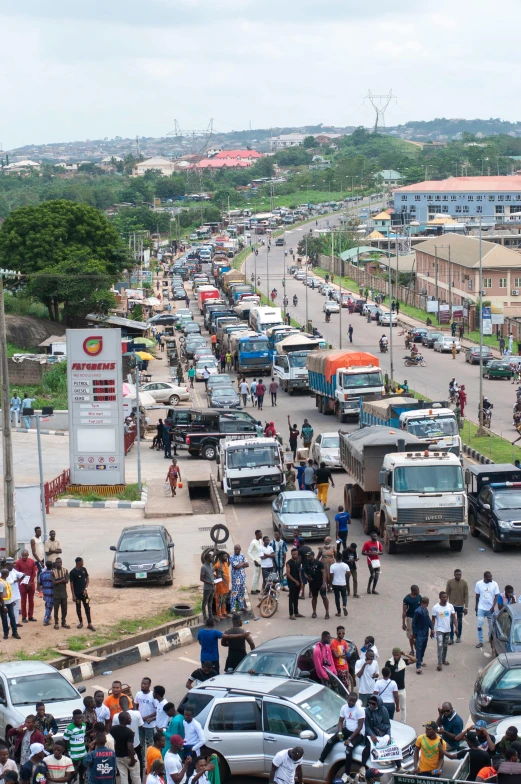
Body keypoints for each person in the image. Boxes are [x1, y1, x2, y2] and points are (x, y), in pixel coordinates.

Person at [111, 698, 143, 776]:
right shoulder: (137, 713)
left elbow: (115, 730)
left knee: (125, 772)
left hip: (122, 747)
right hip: (135, 744)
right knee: (138, 770)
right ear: (130, 703)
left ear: (119, 704)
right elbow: (141, 727)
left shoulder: (116, 716)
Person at [386, 648, 415, 724]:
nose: (396, 657)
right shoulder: (389, 663)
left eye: (398, 655)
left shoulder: (403, 662)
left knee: (403, 707)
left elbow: (414, 660)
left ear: (400, 655)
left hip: (401, 688)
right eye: (394, 655)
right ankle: (391, 722)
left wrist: (405, 654)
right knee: (392, 707)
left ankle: (403, 723)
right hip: (392, 689)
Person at [110, 712, 139, 784]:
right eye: (129, 718)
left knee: (123, 776)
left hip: (118, 756)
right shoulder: (129, 732)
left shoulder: (112, 729)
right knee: (135, 776)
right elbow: (130, 748)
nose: (131, 720)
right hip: (128, 756)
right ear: (124, 720)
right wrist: (132, 759)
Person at [431, 591, 455, 672]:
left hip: (447, 630)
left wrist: (457, 628)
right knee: (440, 646)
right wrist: (432, 629)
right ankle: (439, 663)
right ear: (440, 598)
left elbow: (454, 617)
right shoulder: (435, 607)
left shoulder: (450, 606)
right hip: (439, 630)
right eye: (443, 597)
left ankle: (444, 660)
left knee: (445, 646)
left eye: (446, 597)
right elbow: (433, 619)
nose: (445, 599)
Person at [69, 557, 95, 632]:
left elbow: (87, 579)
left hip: (85, 594)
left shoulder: (84, 569)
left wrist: (86, 589)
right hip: (77, 595)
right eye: (82, 562)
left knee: (87, 607)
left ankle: (89, 623)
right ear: (78, 563)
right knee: (78, 608)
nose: (83, 563)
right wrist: (73, 595)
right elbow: (71, 584)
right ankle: (81, 622)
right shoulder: (72, 572)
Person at [475, 571, 500, 648]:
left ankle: (490, 638)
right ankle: (480, 641)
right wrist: (476, 605)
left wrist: (493, 606)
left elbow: (496, 596)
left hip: (490, 609)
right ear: (485, 577)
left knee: (491, 625)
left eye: (491, 576)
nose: (491, 578)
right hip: (481, 608)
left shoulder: (494, 584)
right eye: (489, 577)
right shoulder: (478, 584)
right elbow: (477, 595)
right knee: (479, 624)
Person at [303, 551, 329, 620]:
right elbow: (304, 572)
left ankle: (327, 612)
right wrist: (307, 577)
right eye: (307, 556)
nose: (307, 557)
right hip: (312, 583)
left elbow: (324, 573)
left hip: (320, 583)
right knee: (314, 597)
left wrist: (324, 583)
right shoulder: (306, 564)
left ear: (313, 556)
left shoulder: (319, 563)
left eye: (309, 556)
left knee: (324, 597)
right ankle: (314, 612)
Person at [64, 709, 87, 784]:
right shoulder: (69, 728)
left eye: (81, 718)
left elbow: (83, 737)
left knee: (83, 774)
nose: (79, 720)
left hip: (83, 754)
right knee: (73, 774)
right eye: (77, 718)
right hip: (74, 755)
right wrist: (67, 752)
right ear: (73, 718)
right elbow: (65, 741)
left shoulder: (84, 725)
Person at [14, 550, 37, 623]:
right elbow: (17, 574)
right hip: (22, 585)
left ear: (28, 555)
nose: (24, 557)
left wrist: (30, 582)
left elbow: (34, 572)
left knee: (31, 601)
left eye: (25, 555)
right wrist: (25, 584)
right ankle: (24, 617)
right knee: (23, 601)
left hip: (31, 584)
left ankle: (30, 616)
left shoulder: (32, 561)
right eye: (23, 555)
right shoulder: (18, 563)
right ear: (21, 555)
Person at [446, 569, 469, 644]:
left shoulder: (464, 583)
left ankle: (458, 636)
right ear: (454, 575)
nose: (459, 576)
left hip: (460, 605)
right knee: (451, 622)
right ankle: (451, 638)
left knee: (459, 621)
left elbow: (466, 595)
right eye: (457, 574)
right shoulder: (450, 582)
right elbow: (447, 593)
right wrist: (445, 605)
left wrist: (466, 607)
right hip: (451, 605)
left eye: (460, 574)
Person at [134, 677, 156, 754]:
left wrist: (146, 718)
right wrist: (137, 716)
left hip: (149, 725)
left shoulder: (153, 695)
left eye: (145, 684)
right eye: (142, 683)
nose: (143, 685)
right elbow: (136, 705)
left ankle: (151, 758)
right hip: (140, 724)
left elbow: (157, 711)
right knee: (140, 743)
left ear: (149, 685)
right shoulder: (138, 694)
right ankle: (142, 761)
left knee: (149, 743)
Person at [413, 597, 432, 674]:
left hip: (425, 632)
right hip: (419, 632)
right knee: (419, 648)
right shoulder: (418, 611)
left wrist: (432, 628)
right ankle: (418, 667)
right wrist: (414, 633)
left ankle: (420, 660)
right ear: (427, 603)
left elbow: (428, 620)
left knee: (423, 647)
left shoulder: (425, 610)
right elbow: (414, 623)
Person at [0, 567, 20, 639]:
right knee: (4, 619)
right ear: (6, 574)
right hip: (4, 604)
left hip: (10, 602)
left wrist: (12, 601)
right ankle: (6, 634)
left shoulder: (6, 581)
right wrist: (4, 606)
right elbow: (0, 595)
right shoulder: (1, 583)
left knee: (12, 617)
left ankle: (15, 633)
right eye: (8, 573)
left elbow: (9, 592)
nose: (9, 574)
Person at [402, 585, 422, 656]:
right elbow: (404, 611)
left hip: (418, 618)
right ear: (413, 591)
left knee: (418, 633)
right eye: (417, 590)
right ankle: (412, 650)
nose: (418, 591)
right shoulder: (407, 599)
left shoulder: (419, 597)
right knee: (410, 635)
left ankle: (417, 645)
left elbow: (422, 607)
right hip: (410, 618)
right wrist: (403, 623)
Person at [229, 543, 248, 612]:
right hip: (236, 578)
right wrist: (243, 563)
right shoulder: (231, 557)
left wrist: (240, 564)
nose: (236, 550)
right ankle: (233, 608)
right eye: (235, 549)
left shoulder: (242, 555)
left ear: (240, 549)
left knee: (241, 593)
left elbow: (247, 564)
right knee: (234, 593)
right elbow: (236, 567)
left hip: (242, 578)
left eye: (237, 549)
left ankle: (241, 607)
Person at [51, 557, 69, 630]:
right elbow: (53, 583)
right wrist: (62, 580)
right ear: (55, 563)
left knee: (64, 609)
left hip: (64, 594)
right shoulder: (53, 572)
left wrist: (58, 581)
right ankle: (56, 623)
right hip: (56, 594)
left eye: (60, 562)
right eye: (58, 562)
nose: (59, 564)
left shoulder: (65, 570)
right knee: (56, 609)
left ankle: (63, 622)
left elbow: (67, 581)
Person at [330, 551, 349, 618]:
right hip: (343, 583)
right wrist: (346, 581)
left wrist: (330, 584)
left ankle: (339, 612)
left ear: (335, 558)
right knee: (344, 596)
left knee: (337, 598)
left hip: (335, 584)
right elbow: (348, 574)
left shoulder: (332, 566)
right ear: (342, 557)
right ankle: (344, 605)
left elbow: (331, 575)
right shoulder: (345, 565)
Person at [286, 548, 303, 621]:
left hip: (298, 582)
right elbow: (288, 574)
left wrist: (301, 582)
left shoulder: (298, 562)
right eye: (294, 554)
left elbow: (299, 572)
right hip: (292, 582)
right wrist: (295, 581)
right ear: (291, 554)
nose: (295, 555)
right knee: (291, 598)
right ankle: (291, 614)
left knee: (296, 598)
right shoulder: (288, 563)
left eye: (296, 554)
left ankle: (296, 612)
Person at [213, 552, 230, 620]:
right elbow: (212, 571)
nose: (226, 558)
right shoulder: (217, 565)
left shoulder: (226, 563)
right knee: (219, 600)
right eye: (224, 557)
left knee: (224, 600)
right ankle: (219, 614)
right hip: (220, 585)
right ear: (220, 558)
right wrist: (215, 577)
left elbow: (229, 558)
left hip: (226, 585)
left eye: (226, 557)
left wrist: (226, 554)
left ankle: (224, 612)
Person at [199, 552, 215, 623]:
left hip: (212, 588)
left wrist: (215, 578)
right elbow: (201, 579)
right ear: (207, 559)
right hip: (207, 588)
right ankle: (205, 618)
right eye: (211, 557)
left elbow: (211, 574)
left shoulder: (211, 565)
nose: (212, 558)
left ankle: (211, 617)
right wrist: (209, 582)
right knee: (204, 603)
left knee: (210, 603)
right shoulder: (203, 567)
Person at [247, 530, 263, 595]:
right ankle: (253, 590)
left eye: (261, 534)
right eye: (260, 534)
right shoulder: (253, 542)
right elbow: (249, 552)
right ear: (256, 535)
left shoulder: (260, 541)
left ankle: (256, 588)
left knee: (259, 575)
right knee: (255, 575)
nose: (261, 535)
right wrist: (254, 560)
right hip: (256, 561)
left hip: (260, 561)